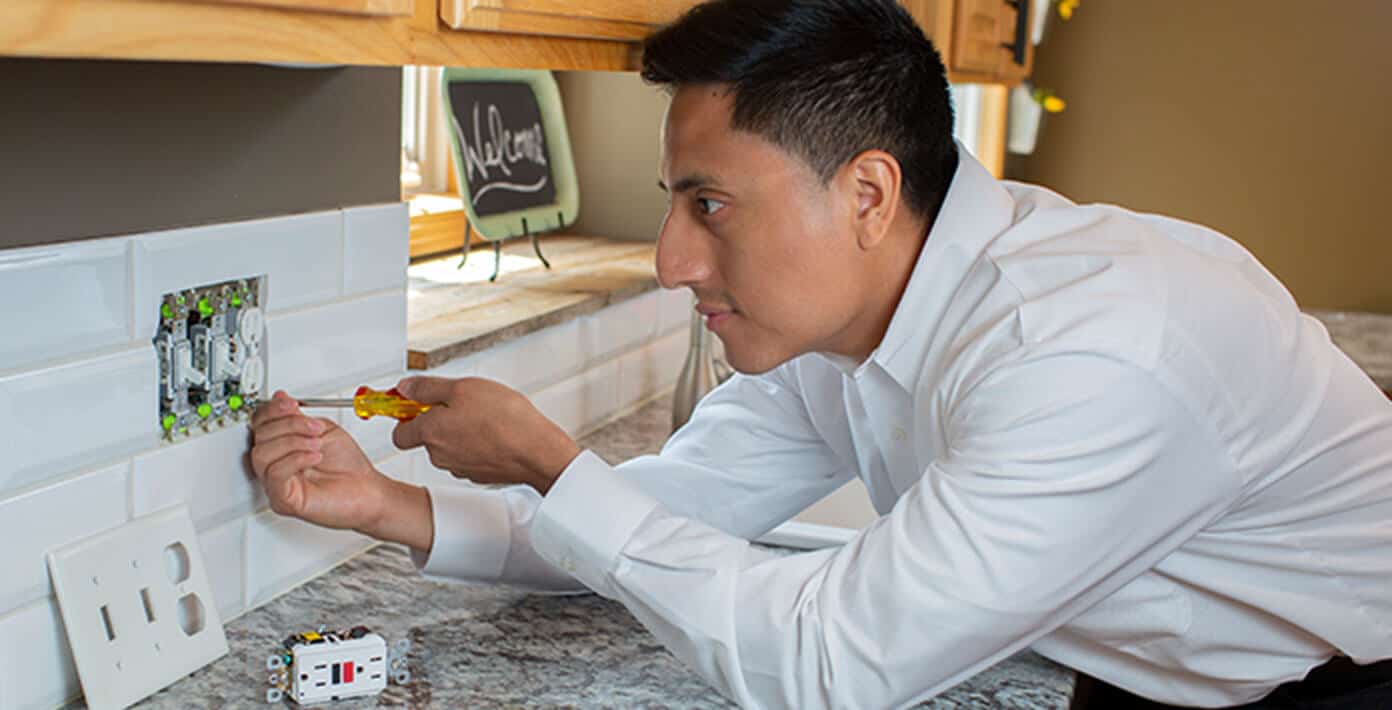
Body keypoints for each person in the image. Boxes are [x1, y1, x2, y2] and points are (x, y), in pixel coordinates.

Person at [249, 1, 1392, 707]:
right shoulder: (842, 324)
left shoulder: (1090, 357)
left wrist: (555, 459)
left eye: (710, 204)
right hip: (1147, 668)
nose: (670, 258)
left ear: (868, 193)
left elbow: (829, 667)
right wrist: (395, 505)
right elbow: (660, 520)